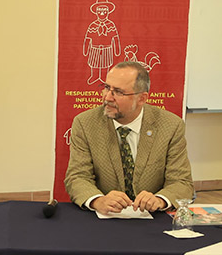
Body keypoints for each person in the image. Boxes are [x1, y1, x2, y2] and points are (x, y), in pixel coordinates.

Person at [64, 61, 194, 215]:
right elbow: (77, 177)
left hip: (153, 217)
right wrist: (98, 200)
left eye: (118, 92)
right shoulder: (85, 123)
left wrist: (159, 200)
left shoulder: (171, 126)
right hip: (104, 216)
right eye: (106, 88)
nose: (107, 97)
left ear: (142, 98)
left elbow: (181, 182)